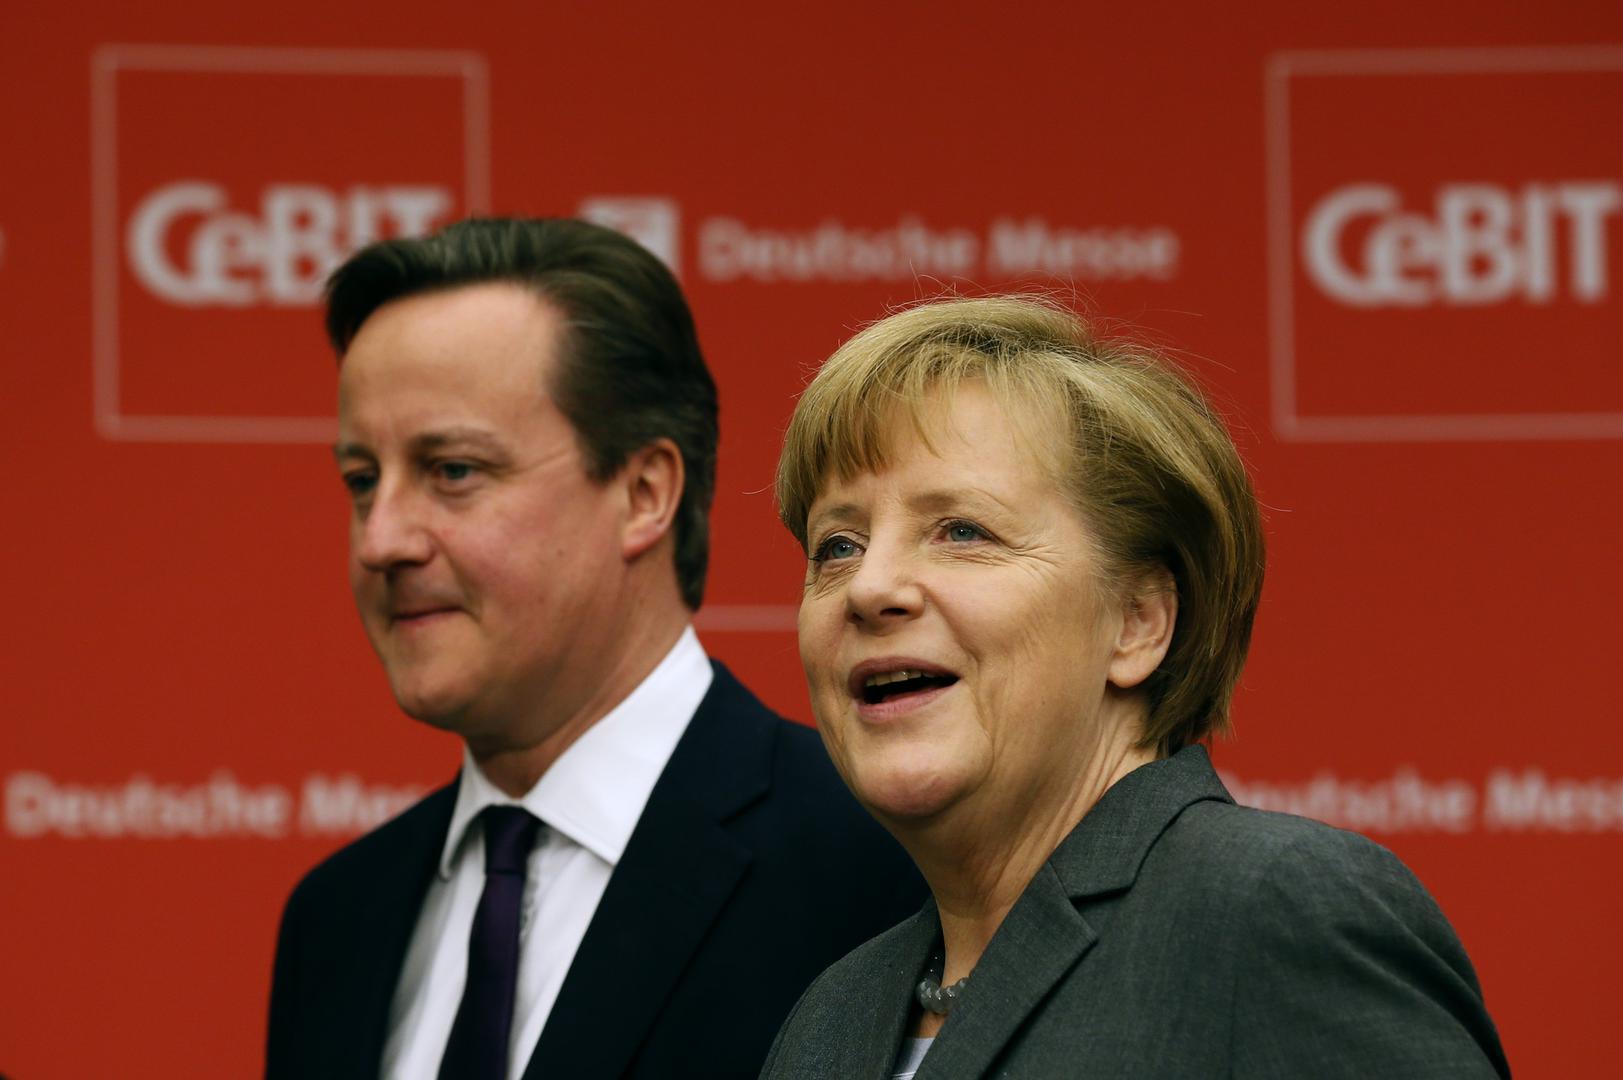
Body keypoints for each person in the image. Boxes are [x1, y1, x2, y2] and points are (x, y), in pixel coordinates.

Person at [761, 297, 1509, 1078]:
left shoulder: (1275, 912)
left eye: (962, 531)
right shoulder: (831, 1015)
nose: (868, 587)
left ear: (1137, 622)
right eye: (837, 546)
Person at [265, 217, 922, 1080]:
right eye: (361, 481)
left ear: (644, 492)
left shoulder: (882, 867)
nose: (380, 540)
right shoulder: (336, 918)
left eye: (452, 470)